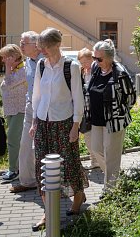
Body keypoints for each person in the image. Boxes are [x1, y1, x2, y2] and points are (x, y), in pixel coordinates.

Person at [29, 27, 88, 231]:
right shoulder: (41, 66)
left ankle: (78, 196)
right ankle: (48, 212)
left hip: (64, 122)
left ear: (56, 44)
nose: (41, 51)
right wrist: (35, 122)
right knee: (42, 168)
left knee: (69, 162)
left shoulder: (71, 67)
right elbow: (37, 95)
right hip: (43, 122)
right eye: (39, 47)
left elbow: (78, 99)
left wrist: (75, 126)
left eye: (44, 47)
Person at [87, 39, 136, 198]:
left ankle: (110, 190)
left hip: (114, 121)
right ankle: (114, 177)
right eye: (94, 58)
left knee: (112, 155)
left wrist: (118, 111)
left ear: (110, 58)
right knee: (96, 149)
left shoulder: (120, 73)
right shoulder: (96, 69)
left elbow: (131, 97)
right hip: (96, 119)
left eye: (99, 59)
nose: (96, 61)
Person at [9, 31, 42, 193]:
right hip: (30, 107)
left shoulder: (47, 61)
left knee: (44, 147)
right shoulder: (28, 62)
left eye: (24, 43)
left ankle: (55, 185)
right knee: (25, 145)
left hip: (46, 109)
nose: (20, 46)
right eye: (21, 42)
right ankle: (27, 181)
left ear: (36, 45)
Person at [0, 44, 27, 182]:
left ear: (13, 57)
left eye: (4, 57)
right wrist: (9, 69)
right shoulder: (15, 70)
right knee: (15, 140)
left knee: (13, 140)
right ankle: (18, 169)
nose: (3, 60)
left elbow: (7, 84)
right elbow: (4, 86)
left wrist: (8, 69)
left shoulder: (23, 70)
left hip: (20, 110)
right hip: (12, 111)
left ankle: (13, 170)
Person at [77, 48, 99, 170]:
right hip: (85, 111)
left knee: (95, 139)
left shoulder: (97, 72)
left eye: (86, 61)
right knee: (88, 138)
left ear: (92, 59)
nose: (85, 64)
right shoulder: (82, 73)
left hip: (95, 111)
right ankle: (94, 161)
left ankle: (98, 161)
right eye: (82, 62)